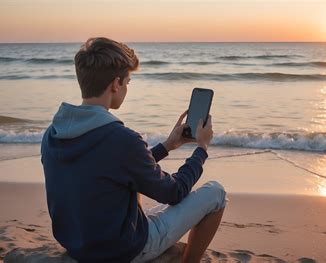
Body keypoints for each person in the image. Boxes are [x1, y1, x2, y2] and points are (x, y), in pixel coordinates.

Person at [41, 37, 226, 263]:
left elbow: (108, 166)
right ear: (115, 84)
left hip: (77, 244)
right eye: (128, 81)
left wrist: (168, 146)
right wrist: (202, 149)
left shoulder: (53, 133)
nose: (127, 88)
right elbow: (174, 192)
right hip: (121, 251)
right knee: (216, 193)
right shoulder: (121, 139)